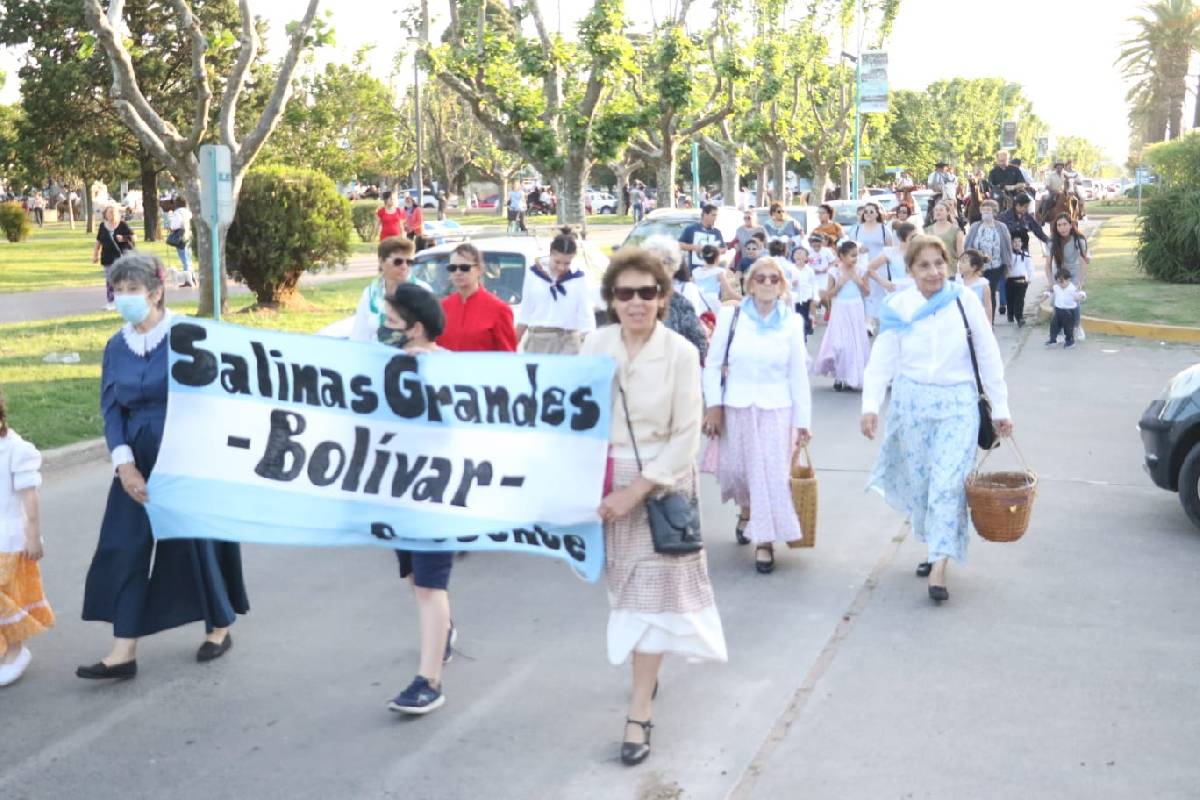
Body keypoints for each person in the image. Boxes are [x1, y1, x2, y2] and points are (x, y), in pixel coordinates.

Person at [582, 247, 728, 766]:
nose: (637, 302)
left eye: (648, 292)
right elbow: (555, 404)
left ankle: (639, 711)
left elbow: (686, 437)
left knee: (646, 598)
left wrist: (634, 492)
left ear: (663, 298)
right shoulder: (593, 345)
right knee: (624, 594)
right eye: (626, 293)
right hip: (602, 486)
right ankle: (649, 671)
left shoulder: (682, 353)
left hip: (659, 489)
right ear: (612, 300)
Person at [79, 254, 248, 680]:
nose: (123, 299)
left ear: (155, 292)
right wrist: (124, 466)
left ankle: (220, 626)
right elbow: (111, 410)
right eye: (117, 291)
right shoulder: (116, 346)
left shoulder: (187, 337)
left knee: (196, 545)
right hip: (136, 458)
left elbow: (213, 399)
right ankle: (123, 650)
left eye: (132, 291)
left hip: (186, 455)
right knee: (124, 546)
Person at [861, 235, 1013, 603]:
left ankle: (941, 566)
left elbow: (987, 354)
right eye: (924, 265)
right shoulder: (899, 305)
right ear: (910, 270)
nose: (933, 272)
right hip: (911, 404)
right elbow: (882, 358)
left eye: (939, 263)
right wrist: (870, 405)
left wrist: (1002, 407)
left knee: (948, 484)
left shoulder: (964, 301)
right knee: (924, 484)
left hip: (957, 404)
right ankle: (934, 546)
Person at [380, 284, 460, 715]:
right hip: (397, 489)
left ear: (415, 328)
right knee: (415, 577)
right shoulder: (381, 363)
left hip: (436, 492)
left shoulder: (447, 368)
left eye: (391, 322)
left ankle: (429, 681)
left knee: (430, 584)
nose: (383, 328)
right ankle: (442, 631)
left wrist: (430, 376)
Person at [702, 257, 812, 572]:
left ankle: (764, 542)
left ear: (781, 286)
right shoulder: (731, 317)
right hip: (737, 406)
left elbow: (797, 375)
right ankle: (748, 510)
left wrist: (803, 421)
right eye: (760, 278)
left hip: (777, 408)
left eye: (773, 279)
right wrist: (714, 406)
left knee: (772, 473)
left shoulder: (792, 323)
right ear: (750, 284)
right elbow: (712, 365)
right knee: (740, 470)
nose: (766, 283)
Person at [0, 390, 54, 687]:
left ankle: (16, 652)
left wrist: (33, 536)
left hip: (7, 539)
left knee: (8, 598)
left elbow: (29, 497)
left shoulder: (14, 449)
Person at [515, 227, 597, 354]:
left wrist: (591, 346)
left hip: (567, 341)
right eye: (557, 262)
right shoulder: (534, 274)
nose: (561, 267)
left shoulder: (578, 279)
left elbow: (586, 318)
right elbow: (525, 313)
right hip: (538, 340)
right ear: (551, 253)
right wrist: (512, 343)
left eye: (567, 263)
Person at [437, 243, 518, 353]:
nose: (458, 272)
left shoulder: (499, 310)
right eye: (452, 268)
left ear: (479, 269)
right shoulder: (441, 308)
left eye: (464, 268)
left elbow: (508, 357)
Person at [349, 236, 432, 343]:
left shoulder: (423, 291)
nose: (404, 266)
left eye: (409, 262)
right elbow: (359, 336)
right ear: (381, 262)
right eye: (398, 262)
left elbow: (430, 335)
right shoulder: (370, 294)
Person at [814, 241, 871, 392]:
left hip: (856, 308)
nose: (855, 259)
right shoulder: (834, 272)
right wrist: (838, 285)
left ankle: (852, 376)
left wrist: (860, 282)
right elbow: (827, 296)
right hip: (840, 308)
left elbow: (867, 292)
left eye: (856, 255)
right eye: (852, 256)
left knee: (855, 342)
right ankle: (840, 376)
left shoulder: (861, 270)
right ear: (842, 256)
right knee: (840, 343)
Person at [642, 236, 707, 359]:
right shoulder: (632, 298)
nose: (655, 268)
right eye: (649, 263)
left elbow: (699, 345)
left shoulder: (681, 302)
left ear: (673, 267)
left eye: (663, 263)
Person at [964, 199, 1012, 320]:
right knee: (977, 292)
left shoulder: (1001, 227)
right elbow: (968, 244)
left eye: (989, 210)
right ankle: (977, 318)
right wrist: (976, 254)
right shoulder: (975, 226)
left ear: (994, 212)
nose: (986, 212)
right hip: (977, 266)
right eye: (984, 210)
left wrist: (1008, 264)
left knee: (990, 293)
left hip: (996, 266)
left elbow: (1007, 246)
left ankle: (990, 321)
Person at [847, 202, 893, 324]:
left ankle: (878, 319)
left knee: (878, 294)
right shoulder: (857, 229)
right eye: (866, 211)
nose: (868, 214)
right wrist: (858, 249)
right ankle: (868, 321)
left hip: (880, 267)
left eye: (871, 211)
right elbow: (849, 247)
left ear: (877, 214)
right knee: (865, 293)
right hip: (861, 266)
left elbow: (889, 250)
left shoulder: (884, 229)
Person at [1046, 214, 1090, 341]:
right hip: (1059, 273)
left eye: (1065, 224)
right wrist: (1050, 282)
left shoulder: (1079, 239)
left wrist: (1080, 281)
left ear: (1071, 225)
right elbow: (1047, 264)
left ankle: (1076, 326)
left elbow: (1083, 262)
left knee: (1073, 301)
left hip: (1073, 273)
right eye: (1059, 225)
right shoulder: (1052, 241)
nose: (1062, 228)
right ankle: (1059, 330)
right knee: (1056, 302)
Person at [93, 205, 136, 311]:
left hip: (122, 257)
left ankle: (125, 301)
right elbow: (98, 241)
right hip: (107, 257)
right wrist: (95, 255)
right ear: (105, 214)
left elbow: (134, 237)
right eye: (109, 212)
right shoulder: (103, 226)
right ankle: (111, 301)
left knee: (123, 280)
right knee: (110, 280)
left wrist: (124, 238)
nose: (112, 214)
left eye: (114, 212)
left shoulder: (122, 225)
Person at [867, 221, 916, 298]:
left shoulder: (919, 251)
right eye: (912, 237)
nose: (915, 239)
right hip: (897, 290)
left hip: (916, 289)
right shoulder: (890, 252)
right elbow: (869, 268)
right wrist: (883, 282)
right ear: (902, 238)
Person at [691, 243, 741, 317]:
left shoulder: (695, 272)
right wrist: (746, 300)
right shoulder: (718, 272)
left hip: (698, 304)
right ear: (717, 258)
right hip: (713, 304)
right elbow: (730, 293)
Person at [1043, 269, 1087, 349]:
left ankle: (1070, 342)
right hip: (1058, 310)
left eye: (1062, 282)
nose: (1060, 284)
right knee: (1054, 326)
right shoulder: (1056, 287)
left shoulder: (1072, 288)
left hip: (1069, 312)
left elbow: (1081, 294)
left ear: (1068, 280)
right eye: (1058, 282)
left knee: (1068, 328)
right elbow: (1050, 291)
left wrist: (1080, 296)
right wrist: (1045, 296)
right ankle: (1052, 340)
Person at [678, 204, 726, 270]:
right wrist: (695, 247)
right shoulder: (691, 229)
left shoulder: (717, 232)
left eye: (716, 215)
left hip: (711, 271)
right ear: (705, 215)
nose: (715, 218)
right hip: (694, 270)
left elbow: (723, 249)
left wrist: (713, 250)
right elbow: (679, 245)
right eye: (713, 215)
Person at [924, 200, 964, 278]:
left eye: (941, 210)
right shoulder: (927, 230)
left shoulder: (956, 231)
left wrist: (962, 270)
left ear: (948, 212)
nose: (938, 212)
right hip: (932, 273)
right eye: (936, 210)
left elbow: (961, 253)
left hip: (950, 272)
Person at [957, 249, 994, 322]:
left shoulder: (983, 285)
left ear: (974, 267)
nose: (960, 264)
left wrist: (989, 326)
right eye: (959, 261)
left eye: (963, 261)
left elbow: (988, 308)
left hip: (977, 322)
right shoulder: (957, 283)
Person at [1006, 231, 1034, 327]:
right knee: (1010, 299)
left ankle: (1019, 317)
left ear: (1022, 243)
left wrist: (1029, 278)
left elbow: (1030, 268)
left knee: (1019, 299)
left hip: (1022, 280)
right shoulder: (1009, 255)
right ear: (1011, 243)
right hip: (1010, 280)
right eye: (1014, 242)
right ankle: (1010, 314)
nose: (1017, 243)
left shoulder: (1026, 255)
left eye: (1019, 241)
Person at [165, 197, 194, 287]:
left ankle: (188, 280)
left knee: (184, 258)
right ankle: (191, 277)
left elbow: (174, 225)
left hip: (180, 236)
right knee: (188, 257)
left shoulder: (178, 212)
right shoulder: (188, 212)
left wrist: (170, 227)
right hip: (189, 235)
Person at [790, 245, 817, 338]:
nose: (798, 255)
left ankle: (803, 341)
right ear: (793, 256)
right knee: (794, 324)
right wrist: (791, 284)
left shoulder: (809, 270)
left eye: (801, 253)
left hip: (806, 300)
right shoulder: (790, 269)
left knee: (805, 323)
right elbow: (784, 285)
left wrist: (815, 298)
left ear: (806, 258)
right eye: (796, 253)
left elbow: (813, 285)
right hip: (794, 301)